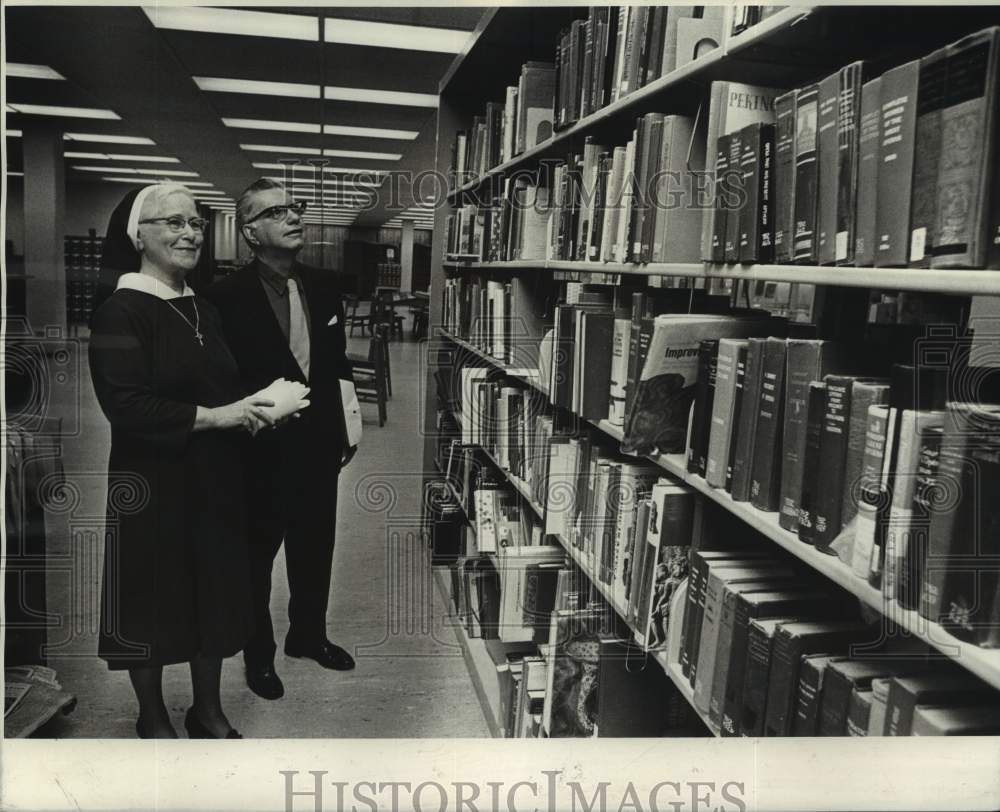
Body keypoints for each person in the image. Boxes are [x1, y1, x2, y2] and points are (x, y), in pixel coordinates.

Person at [88, 183, 280, 738]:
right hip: (151, 479)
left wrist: (263, 407)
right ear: (138, 236)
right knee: (148, 595)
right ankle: (151, 714)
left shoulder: (203, 307)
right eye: (172, 222)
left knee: (215, 591)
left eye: (195, 222)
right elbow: (126, 405)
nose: (190, 233)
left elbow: (223, 383)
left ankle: (207, 709)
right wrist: (223, 416)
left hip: (215, 477)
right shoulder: (119, 312)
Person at [205, 178, 357, 701]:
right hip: (258, 450)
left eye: (295, 209)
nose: (294, 218)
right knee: (256, 558)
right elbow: (219, 379)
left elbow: (336, 364)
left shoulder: (324, 284)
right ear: (250, 232)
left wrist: (347, 426)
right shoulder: (223, 297)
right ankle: (259, 656)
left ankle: (308, 636)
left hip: (319, 444)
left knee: (316, 547)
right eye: (276, 213)